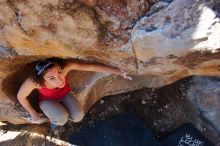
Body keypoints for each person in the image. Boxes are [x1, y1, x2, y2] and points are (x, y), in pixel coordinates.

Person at [17, 58, 132, 126]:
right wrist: (32, 112)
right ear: (42, 79)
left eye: (60, 72)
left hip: (66, 94)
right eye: (52, 78)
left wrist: (118, 71)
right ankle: (56, 121)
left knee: (78, 117)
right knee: (61, 119)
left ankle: (63, 115)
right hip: (47, 100)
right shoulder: (35, 82)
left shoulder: (66, 67)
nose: (60, 79)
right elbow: (21, 96)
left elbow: (91, 67)